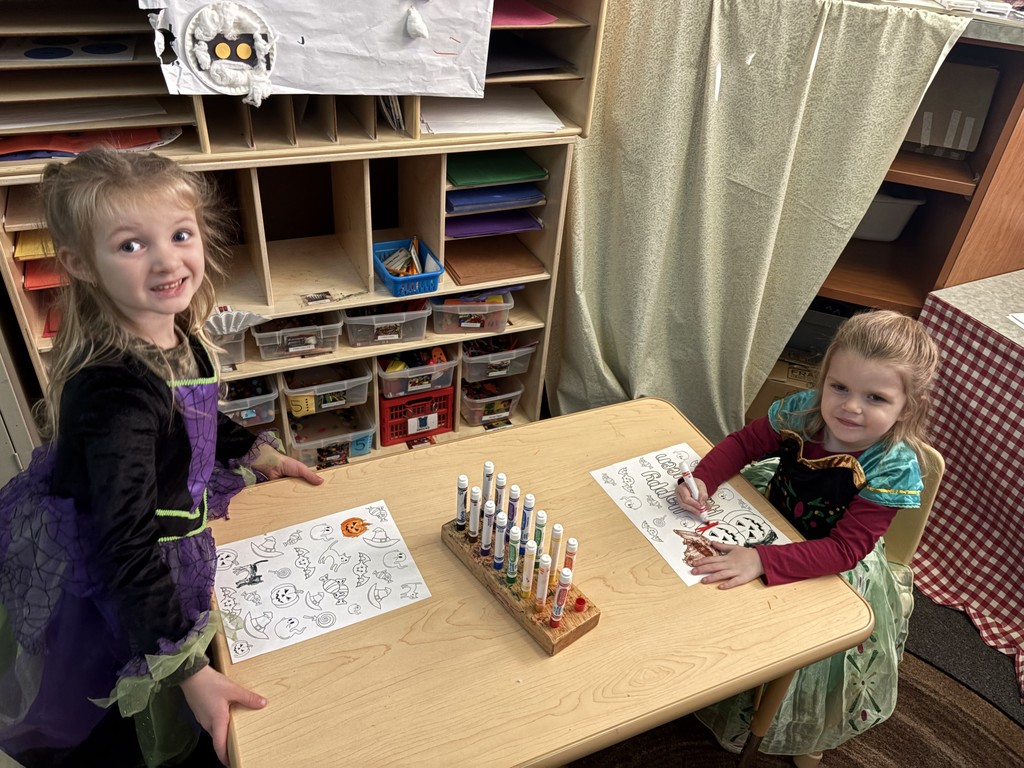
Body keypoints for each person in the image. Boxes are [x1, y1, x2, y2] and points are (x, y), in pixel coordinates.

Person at [0, 148, 324, 767]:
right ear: (80, 264)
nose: (168, 260)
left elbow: (192, 415)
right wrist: (186, 666)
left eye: (180, 234)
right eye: (131, 245)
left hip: (165, 530)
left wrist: (255, 452)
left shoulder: (174, 330)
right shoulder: (115, 392)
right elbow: (124, 544)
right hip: (123, 571)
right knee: (137, 723)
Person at [675, 309, 940, 759]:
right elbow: (743, 444)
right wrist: (703, 480)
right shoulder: (803, 411)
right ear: (824, 379)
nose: (850, 407)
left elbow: (843, 550)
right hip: (771, 516)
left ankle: (806, 736)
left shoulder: (892, 465)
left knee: (804, 660)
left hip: (833, 566)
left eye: (875, 397)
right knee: (717, 603)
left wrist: (761, 559)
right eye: (839, 387)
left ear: (907, 407)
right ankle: (716, 681)